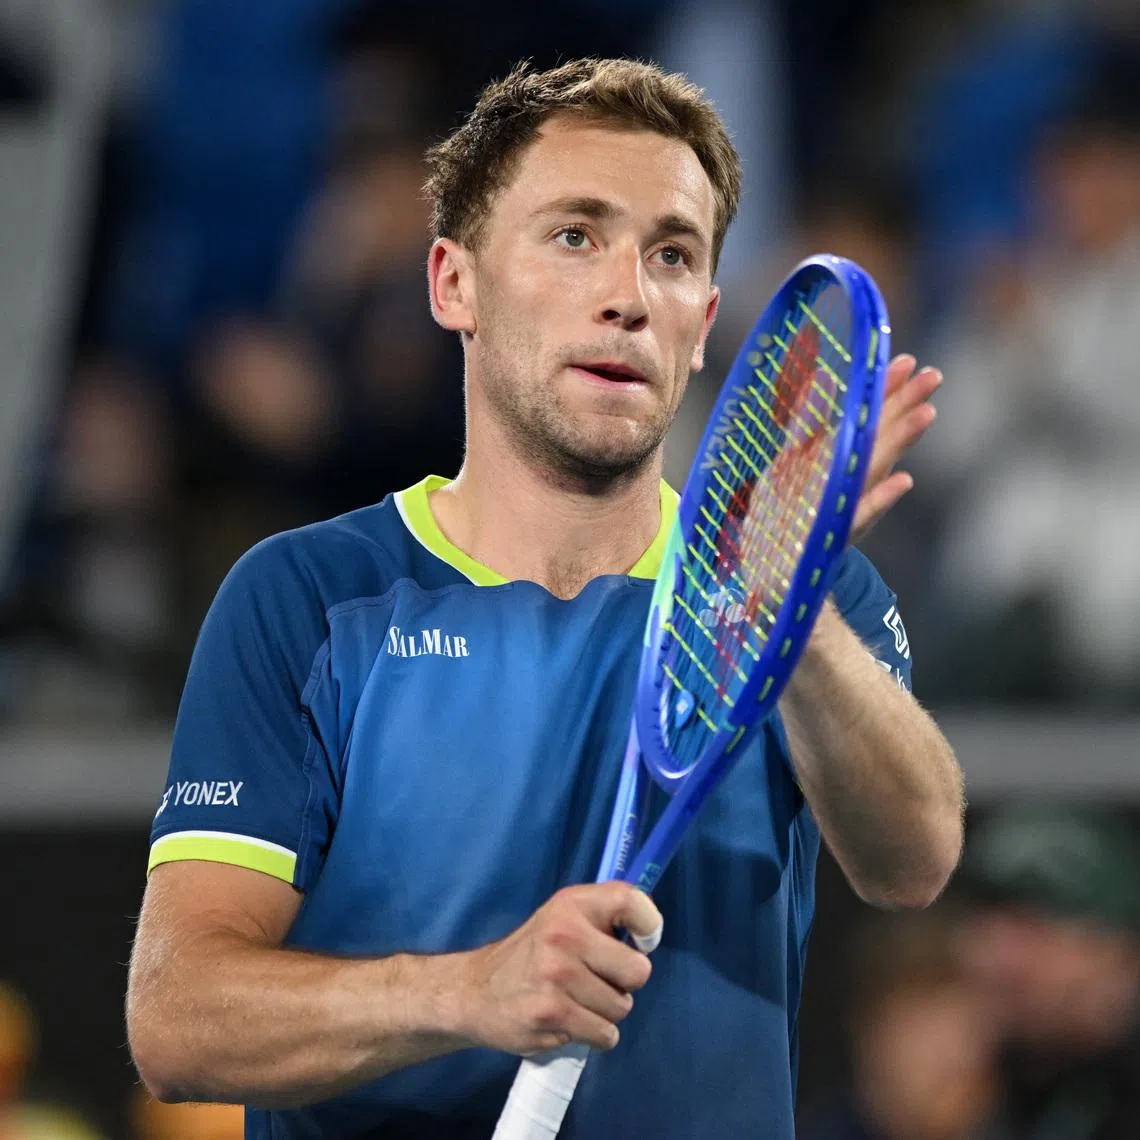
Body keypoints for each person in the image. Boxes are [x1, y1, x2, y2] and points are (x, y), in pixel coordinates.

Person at [125, 58, 964, 1138]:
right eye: (575, 236)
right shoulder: (310, 599)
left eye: (672, 255)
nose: (628, 295)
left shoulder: (812, 600)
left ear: (705, 321)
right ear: (452, 284)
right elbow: (179, 1019)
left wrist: (783, 612)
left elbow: (913, 860)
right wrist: (469, 993)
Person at [953, 804, 1140, 1140]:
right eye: (986, 925)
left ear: (1119, 954)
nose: (1002, 960)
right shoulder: (965, 1095)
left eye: (1034, 929)